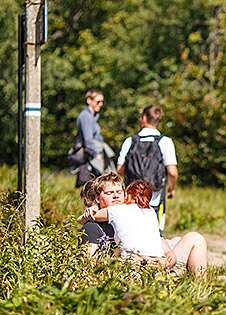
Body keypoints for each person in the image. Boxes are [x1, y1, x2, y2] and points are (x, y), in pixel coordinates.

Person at [77, 174, 207, 276]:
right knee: (193, 239)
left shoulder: (134, 214)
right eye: (109, 193)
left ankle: (201, 288)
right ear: (98, 198)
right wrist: (127, 262)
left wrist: (165, 261)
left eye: (119, 192)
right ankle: (197, 289)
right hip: (135, 273)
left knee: (183, 239)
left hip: (158, 266)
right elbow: (87, 265)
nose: (116, 196)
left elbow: (165, 249)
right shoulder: (93, 227)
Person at [116, 104, 177, 234]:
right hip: (155, 196)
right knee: (155, 234)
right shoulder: (165, 142)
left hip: (131, 198)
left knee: (131, 232)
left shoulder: (130, 141)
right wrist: (171, 188)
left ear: (143, 118)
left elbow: (120, 170)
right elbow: (172, 172)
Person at [73, 89, 112, 188]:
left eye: (102, 101)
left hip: (93, 157)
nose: (101, 104)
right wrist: (97, 155)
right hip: (90, 159)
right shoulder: (85, 116)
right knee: (92, 191)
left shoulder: (93, 116)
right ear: (89, 100)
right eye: (98, 101)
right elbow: (88, 140)